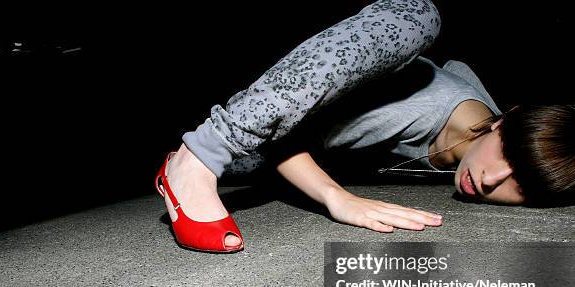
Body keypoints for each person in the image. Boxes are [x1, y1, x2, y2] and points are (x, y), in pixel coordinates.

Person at [155, 0, 575, 253]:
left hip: (258, 160)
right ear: (506, 120)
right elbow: (279, 139)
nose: (490, 180)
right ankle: (200, 155)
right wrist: (337, 198)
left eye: (525, 186)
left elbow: (459, 69)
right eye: (510, 156)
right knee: (417, 16)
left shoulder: (486, 122)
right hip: (241, 111)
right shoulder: (415, 110)